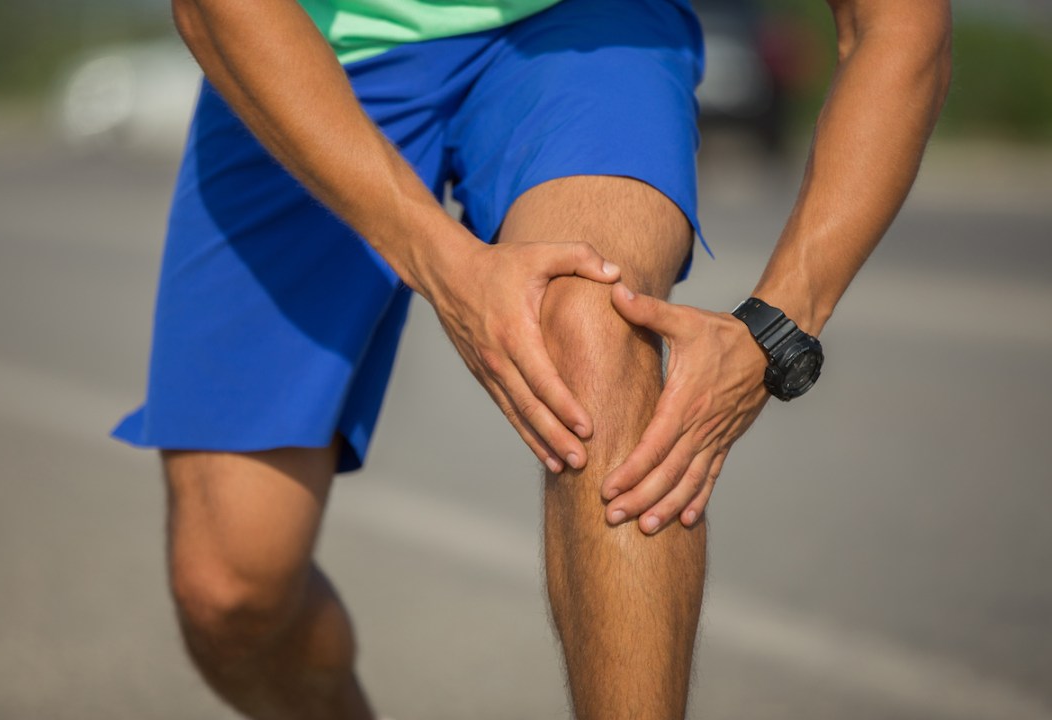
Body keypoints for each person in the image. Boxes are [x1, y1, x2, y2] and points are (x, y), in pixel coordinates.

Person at [112, 0, 952, 717]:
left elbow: (896, 26)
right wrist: (436, 256)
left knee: (595, 321)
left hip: (584, 31)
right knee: (233, 591)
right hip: (314, 35)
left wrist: (780, 324)